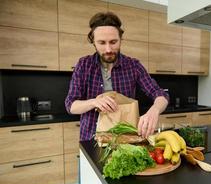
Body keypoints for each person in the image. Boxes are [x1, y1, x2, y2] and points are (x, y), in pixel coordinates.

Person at [65, 11, 169, 141]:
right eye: (102, 43)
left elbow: (160, 94)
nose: (108, 49)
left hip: (125, 141)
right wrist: (94, 102)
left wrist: (154, 111)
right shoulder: (84, 65)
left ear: (121, 39)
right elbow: (71, 105)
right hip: (90, 141)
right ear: (93, 42)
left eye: (113, 42)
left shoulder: (133, 66)